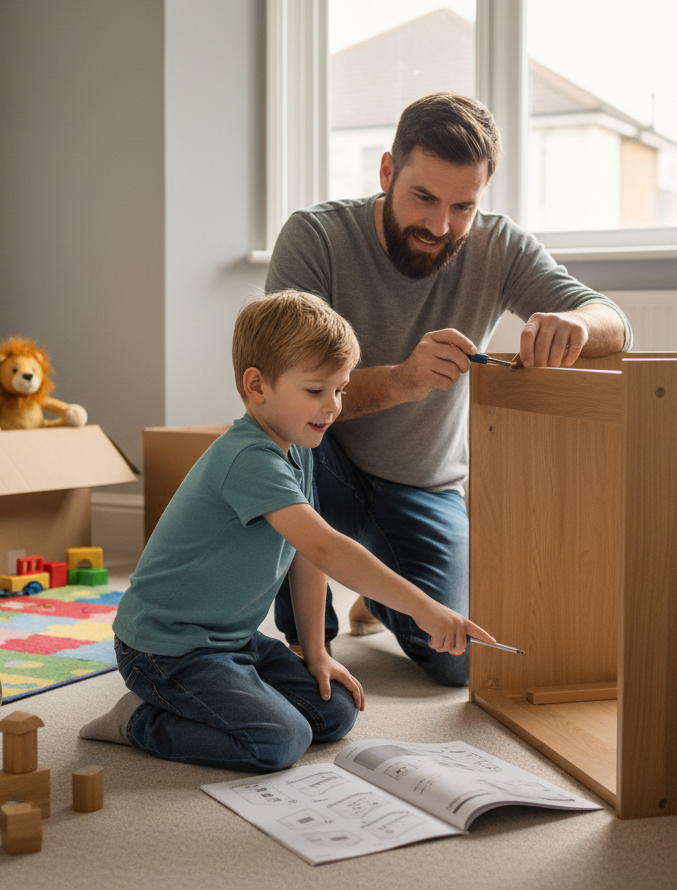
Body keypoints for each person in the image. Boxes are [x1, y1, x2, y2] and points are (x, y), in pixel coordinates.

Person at [266, 92, 631, 686]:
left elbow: (614, 322)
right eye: (424, 198)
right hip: (322, 456)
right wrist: (402, 381)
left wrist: (577, 324)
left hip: (421, 483)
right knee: (283, 444)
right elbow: (281, 396)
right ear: (388, 172)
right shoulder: (316, 239)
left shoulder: (497, 245)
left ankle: (372, 586)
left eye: (463, 206)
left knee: (457, 660)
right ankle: (309, 646)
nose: (440, 226)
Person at [78, 290, 495, 773]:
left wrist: (316, 652)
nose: (334, 406)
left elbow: (307, 556)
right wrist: (423, 607)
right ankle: (137, 721)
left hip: (230, 642)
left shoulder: (299, 447)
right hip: (165, 650)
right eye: (316, 390)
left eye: (339, 389)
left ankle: (231, 692)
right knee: (279, 741)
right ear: (257, 385)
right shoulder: (248, 459)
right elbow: (326, 545)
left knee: (335, 710)